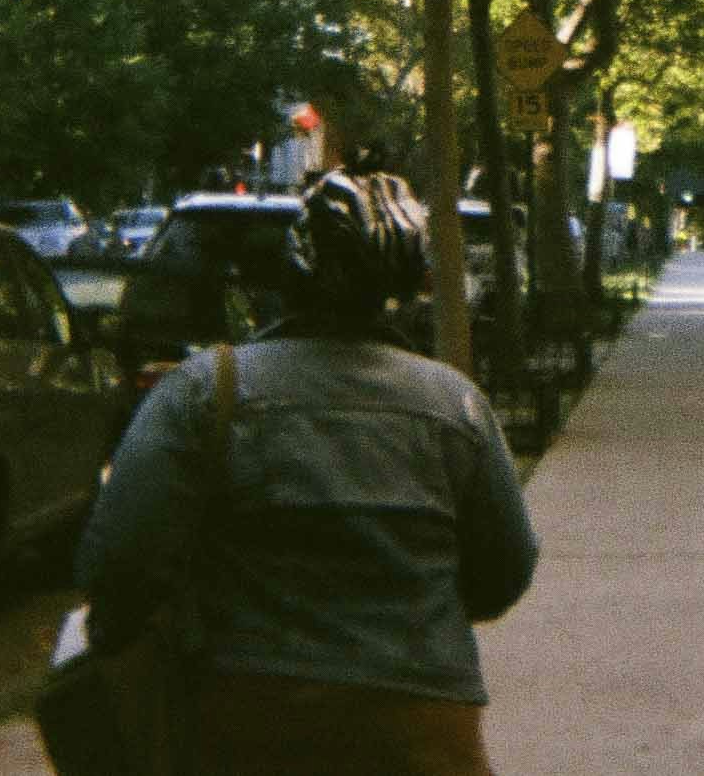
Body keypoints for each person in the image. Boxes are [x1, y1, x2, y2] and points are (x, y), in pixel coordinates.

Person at [78, 169, 539, 776]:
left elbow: (119, 563)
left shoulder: (205, 394)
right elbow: (505, 569)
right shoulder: (456, 408)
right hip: (423, 727)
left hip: (249, 720)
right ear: (410, 287)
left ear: (290, 273)